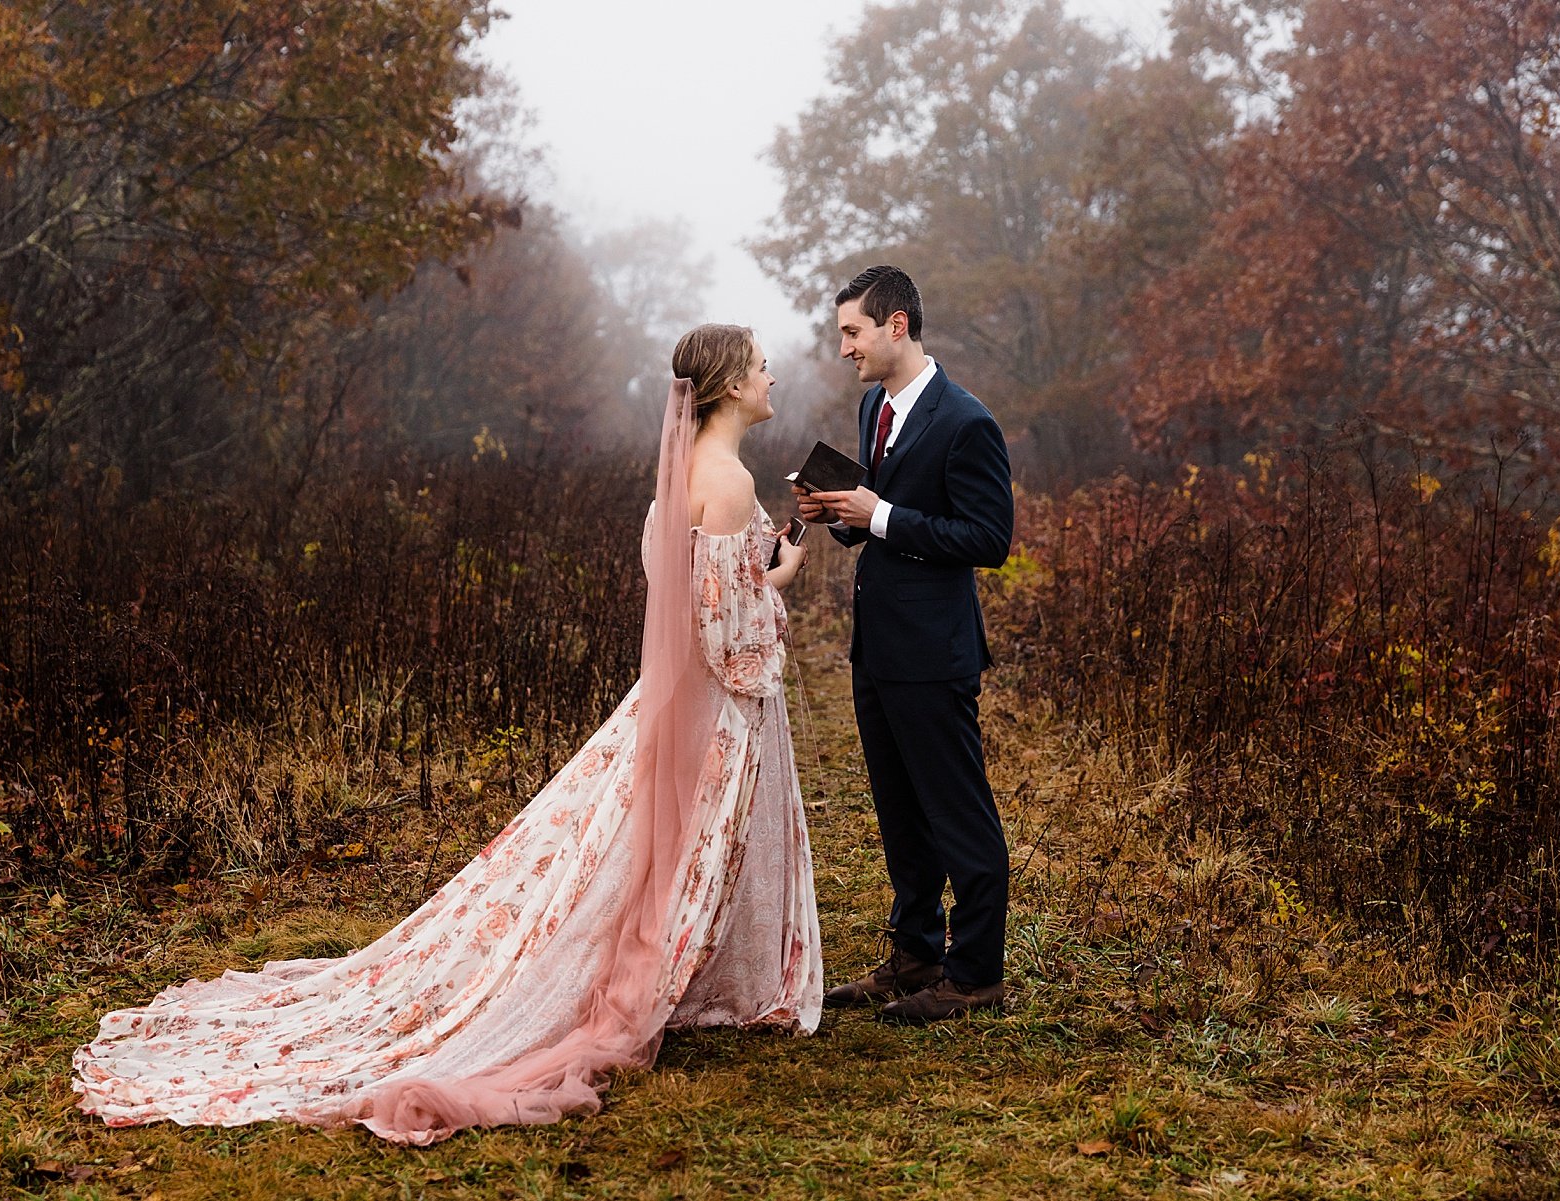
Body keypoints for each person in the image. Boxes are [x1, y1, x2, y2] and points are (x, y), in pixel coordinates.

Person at [74, 324, 823, 1144]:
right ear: (726, 386)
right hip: (709, 705)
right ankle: (651, 982)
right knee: (671, 848)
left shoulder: (682, 473)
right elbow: (726, 629)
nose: (771, 375)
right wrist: (777, 590)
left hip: (667, 696)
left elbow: (682, 581)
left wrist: (768, 565)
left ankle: (659, 969)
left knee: (625, 848)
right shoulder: (730, 477)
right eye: (759, 366)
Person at [795, 266, 1013, 1024]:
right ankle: (915, 952)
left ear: (896, 325)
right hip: (877, 647)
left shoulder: (966, 421)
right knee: (900, 812)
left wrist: (880, 513)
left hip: (935, 650)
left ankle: (977, 969)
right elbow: (881, 517)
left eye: (853, 331)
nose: (845, 347)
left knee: (958, 812)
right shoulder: (871, 406)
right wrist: (843, 515)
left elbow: (989, 538)